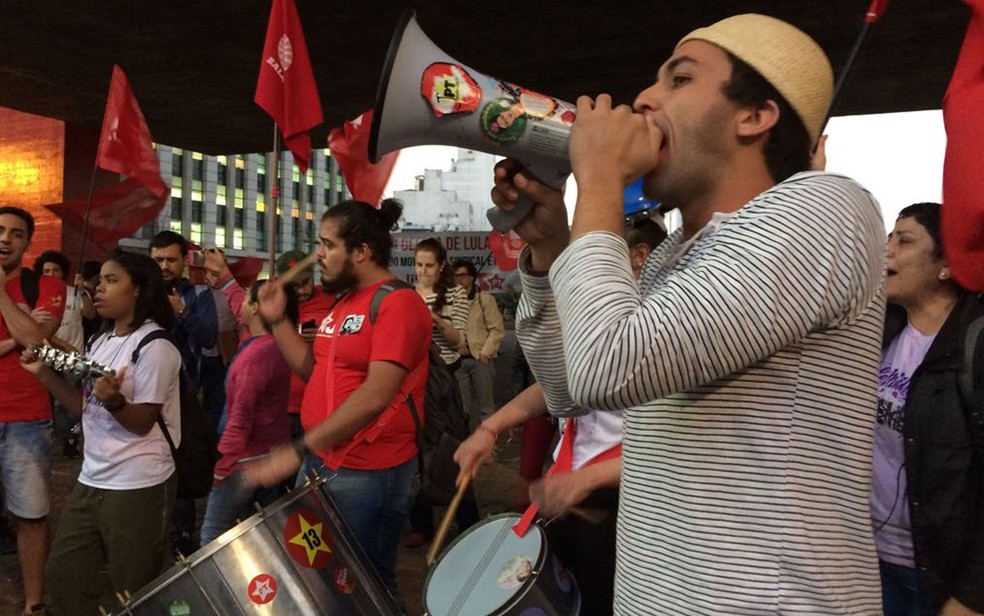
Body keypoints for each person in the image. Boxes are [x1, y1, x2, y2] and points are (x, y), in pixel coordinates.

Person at [491, 14, 886, 614]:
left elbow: (610, 366)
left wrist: (596, 179)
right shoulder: (674, 254)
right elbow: (573, 388)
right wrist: (549, 251)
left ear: (754, 115)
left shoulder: (824, 206)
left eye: (679, 79)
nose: (645, 98)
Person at [247, 199, 431, 606]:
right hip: (323, 461)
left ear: (361, 252)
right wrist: (278, 320)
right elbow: (314, 370)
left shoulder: (398, 303)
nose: (317, 255)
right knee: (322, 577)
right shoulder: (343, 305)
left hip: (368, 471)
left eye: (327, 245)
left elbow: (376, 395)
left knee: (366, 585)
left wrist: (299, 448)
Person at [22, 251, 181, 616]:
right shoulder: (101, 342)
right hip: (92, 478)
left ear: (138, 289)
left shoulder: (155, 346)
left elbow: (142, 421)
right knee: (64, 573)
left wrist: (116, 403)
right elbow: (85, 407)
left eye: (112, 281)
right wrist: (43, 374)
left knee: (134, 586)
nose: (98, 288)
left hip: (138, 484)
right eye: (100, 281)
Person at [872, 202, 984, 616]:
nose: (888, 251)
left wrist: (972, 596)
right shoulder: (879, 330)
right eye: (888, 239)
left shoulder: (974, 344)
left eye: (904, 241)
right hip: (866, 559)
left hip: (937, 578)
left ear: (946, 266)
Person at [455, 379, 623, 615]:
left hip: (621, 501)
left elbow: (671, 450)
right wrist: (490, 428)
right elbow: (556, 384)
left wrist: (587, 479)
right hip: (569, 484)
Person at [0, 206, 66, 616]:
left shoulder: (44, 284)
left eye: (16, 233)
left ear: (27, 242)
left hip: (26, 417)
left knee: (31, 514)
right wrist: (19, 334)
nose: (5, 238)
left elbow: (39, 343)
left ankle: (33, 603)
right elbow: (30, 336)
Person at [199, 281, 298, 546]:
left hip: (245, 461)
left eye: (244, 300)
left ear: (256, 308)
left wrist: (222, 469)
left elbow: (240, 416)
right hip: (271, 454)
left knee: (213, 535)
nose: (239, 306)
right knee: (262, 535)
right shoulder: (276, 345)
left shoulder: (257, 354)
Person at [404, 239, 478, 548]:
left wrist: (433, 318)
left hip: (445, 381)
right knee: (415, 451)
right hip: (414, 379)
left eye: (429, 265)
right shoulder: (406, 296)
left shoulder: (456, 294)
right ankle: (421, 523)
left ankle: (467, 520)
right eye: (419, 265)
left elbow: (459, 339)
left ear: (441, 266)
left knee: (453, 450)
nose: (423, 271)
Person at [149, 230, 218, 555]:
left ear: (183, 261)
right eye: (158, 259)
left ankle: (180, 538)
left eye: (170, 260)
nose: (164, 266)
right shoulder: (139, 293)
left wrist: (181, 312)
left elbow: (207, 337)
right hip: (143, 395)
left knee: (181, 469)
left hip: (184, 397)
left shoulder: (199, 295)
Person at [275, 249, 336, 440]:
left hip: (320, 405)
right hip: (281, 406)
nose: (302, 291)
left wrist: (325, 335)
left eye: (306, 282)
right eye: (294, 286)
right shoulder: (273, 307)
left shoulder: (331, 302)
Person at [452, 260, 505, 424]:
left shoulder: (485, 299)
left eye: (464, 275)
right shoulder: (450, 301)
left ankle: (488, 446)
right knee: (460, 407)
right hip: (458, 361)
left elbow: (496, 329)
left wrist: (485, 353)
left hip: (480, 359)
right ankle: (462, 443)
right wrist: (456, 346)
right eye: (456, 276)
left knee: (486, 407)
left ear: (472, 277)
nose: (460, 279)